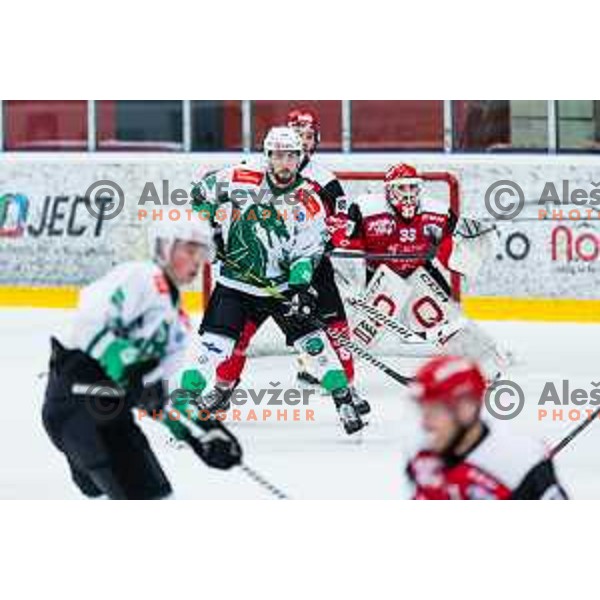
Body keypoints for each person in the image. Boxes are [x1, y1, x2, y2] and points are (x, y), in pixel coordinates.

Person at [41, 214, 242, 500]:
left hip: (106, 416)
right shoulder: (142, 277)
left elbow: (160, 395)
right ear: (164, 247)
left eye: (201, 253)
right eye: (189, 249)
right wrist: (126, 363)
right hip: (79, 404)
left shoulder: (178, 325)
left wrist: (202, 432)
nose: (197, 260)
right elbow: (89, 319)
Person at [188, 126, 366, 434]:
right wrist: (211, 233)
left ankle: (343, 398)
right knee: (213, 347)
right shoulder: (240, 178)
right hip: (235, 286)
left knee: (315, 347)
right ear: (268, 156)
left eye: (291, 156)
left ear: (300, 158)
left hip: (280, 288)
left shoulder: (308, 200)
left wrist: (300, 287)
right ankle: (186, 403)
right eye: (278, 156)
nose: (285, 163)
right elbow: (200, 194)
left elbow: (306, 252)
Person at [336, 162, 509, 380]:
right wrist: (351, 286)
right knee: (364, 328)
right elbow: (348, 250)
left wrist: (478, 240)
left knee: (441, 321)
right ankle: (327, 369)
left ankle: (482, 363)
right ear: (389, 190)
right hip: (380, 276)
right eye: (402, 188)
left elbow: (451, 254)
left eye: (413, 187)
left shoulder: (437, 212)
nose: (408, 194)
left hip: (417, 272)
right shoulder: (365, 209)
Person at [406, 355, 568, 499]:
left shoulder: (520, 462)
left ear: (466, 409)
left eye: (435, 412)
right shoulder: (422, 454)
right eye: (423, 411)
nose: (425, 424)